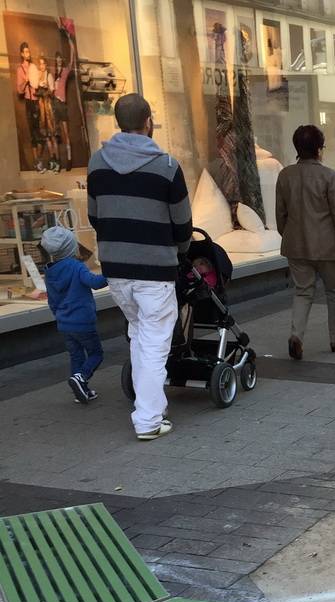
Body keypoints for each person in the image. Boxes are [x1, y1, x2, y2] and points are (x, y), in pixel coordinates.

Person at [87, 93, 192, 441]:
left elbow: (94, 215)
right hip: (155, 269)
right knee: (154, 340)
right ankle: (147, 418)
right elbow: (182, 225)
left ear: (118, 123)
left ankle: (153, 404)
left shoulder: (97, 163)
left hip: (116, 267)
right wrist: (179, 251)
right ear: (149, 122)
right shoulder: (166, 166)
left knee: (138, 332)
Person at [275, 124, 335, 360]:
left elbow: (281, 214)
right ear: (320, 149)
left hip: (296, 244)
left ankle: (296, 336)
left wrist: (289, 234)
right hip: (328, 246)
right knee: (334, 291)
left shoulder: (285, 175)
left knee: (302, 291)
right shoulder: (329, 176)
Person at [41, 225, 108, 403]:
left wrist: (60, 316)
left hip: (64, 323)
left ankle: (81, 391)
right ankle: (81, 378)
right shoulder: (76, 267)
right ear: (71, 247)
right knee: (96, 354)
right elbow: (94, 283)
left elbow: (52, 301)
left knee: (76, 356)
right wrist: (111, 273)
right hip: (83, 322)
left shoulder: (49, 272)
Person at [15, 42, 45, 173]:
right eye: (25, 52)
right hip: (29, 102)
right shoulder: (20, 69)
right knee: (33, 133)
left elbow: (38, 84)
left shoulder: (33, 67)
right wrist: (26, 79)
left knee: (40, 132)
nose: (28, 54)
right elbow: (20, 90)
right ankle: (37, 162)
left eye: (29, 51)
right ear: (22, 54)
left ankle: (38, 160)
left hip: (37, 101)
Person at [52, 37, 77, 172]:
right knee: (56, 134)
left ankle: (69, 160)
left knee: (66, 133)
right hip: (54, 104)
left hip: (62, 104)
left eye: (60, 58)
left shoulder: (65, 72)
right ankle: (57, 162)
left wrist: (71, 44)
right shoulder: (54, 73)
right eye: (57, 59)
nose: (59, 60)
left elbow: (72, 61)